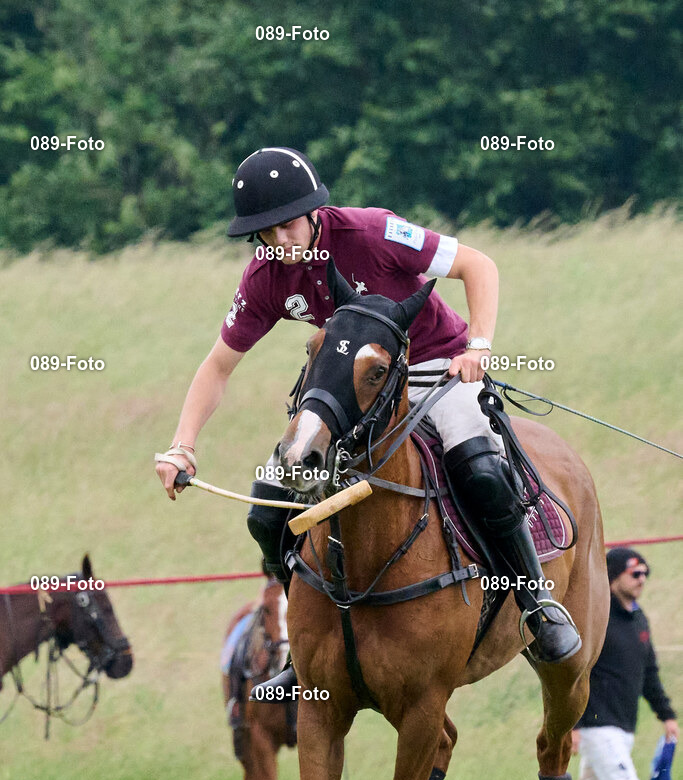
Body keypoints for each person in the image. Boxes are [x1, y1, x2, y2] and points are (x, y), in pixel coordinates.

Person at [155, 146, 581, 681]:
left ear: (313, 212)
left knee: (481, 470)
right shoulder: (264, 277)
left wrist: (478, 345)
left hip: (436, 367)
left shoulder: (373, 232)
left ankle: (537, 602)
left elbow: (478, 265)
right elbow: (218, 367)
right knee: (267, 507)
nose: (280, 242)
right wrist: (182, 445)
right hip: (351, 389)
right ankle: (304, 644)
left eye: (288, 226)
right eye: (266, 233)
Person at [566, 547, 678, 780]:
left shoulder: (639, 619)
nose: (642, 578)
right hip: (597, 726)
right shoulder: (595, 618)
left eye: (645, 573)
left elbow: (649, 673)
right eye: (635, 573)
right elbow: (572, 672)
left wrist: (667, 715)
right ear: (614, 576)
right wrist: (572, 724)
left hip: (623, 727)